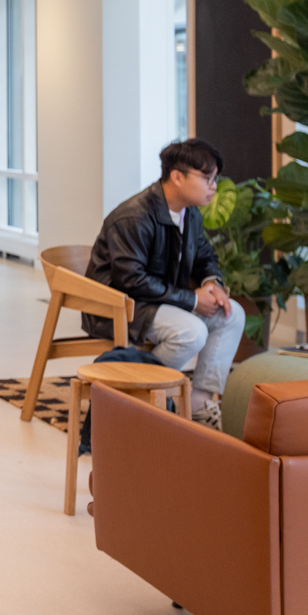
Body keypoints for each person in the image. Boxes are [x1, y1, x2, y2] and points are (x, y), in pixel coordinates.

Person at [82, 139, 243, 430]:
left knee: (232, 315)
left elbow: (205, 256)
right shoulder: (133, 216)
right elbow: (130, 280)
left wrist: (213, 283)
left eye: (215, 179)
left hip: (160, 301)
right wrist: (193, 300)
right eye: (207, 179)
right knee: (191, 332)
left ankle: (199, 404)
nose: (213, 187)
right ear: (177, 177)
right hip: (122, 307)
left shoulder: (189, 213)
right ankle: (142, 397)